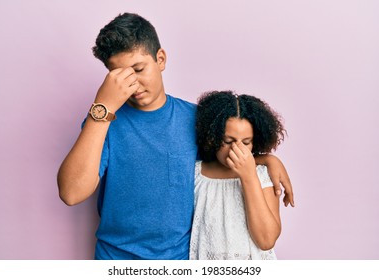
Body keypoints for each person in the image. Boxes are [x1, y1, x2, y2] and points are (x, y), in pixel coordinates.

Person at [57, 12, 294, 260]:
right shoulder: (104, 121)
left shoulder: (195, 119)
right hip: (114, 259)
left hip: (179, 261)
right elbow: (71, 193)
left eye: (139, 69)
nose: (133, 85)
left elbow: (227, 159)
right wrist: (101, 109)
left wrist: (267, 160)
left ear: (160, 59)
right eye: (120, 75)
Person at [190, 90, 286, 260]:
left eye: (246, 142)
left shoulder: (262, 175)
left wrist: (249, 176)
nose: (237, 150)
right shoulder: (196, 175)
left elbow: (266, 240)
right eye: (228, 141)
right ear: (212, 137)